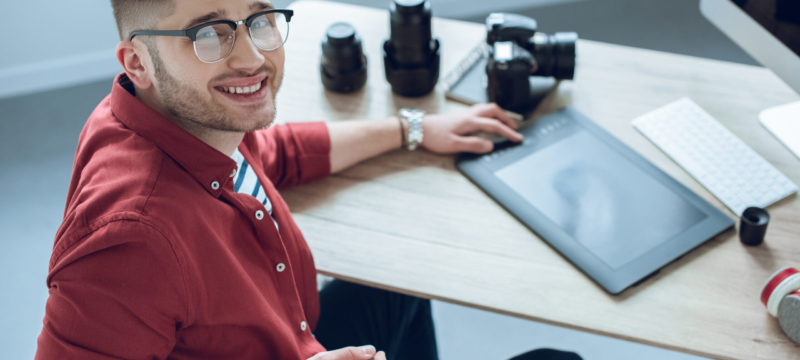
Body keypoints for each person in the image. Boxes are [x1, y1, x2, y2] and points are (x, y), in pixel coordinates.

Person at [34, 0, 577, 359]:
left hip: (299, 336)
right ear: (139, 62)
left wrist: (413, 128)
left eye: (260, 18)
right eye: (207, 34)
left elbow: (275, 153)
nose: (252, 57)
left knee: (395, 288)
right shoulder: (127, 242)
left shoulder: (181, 116)